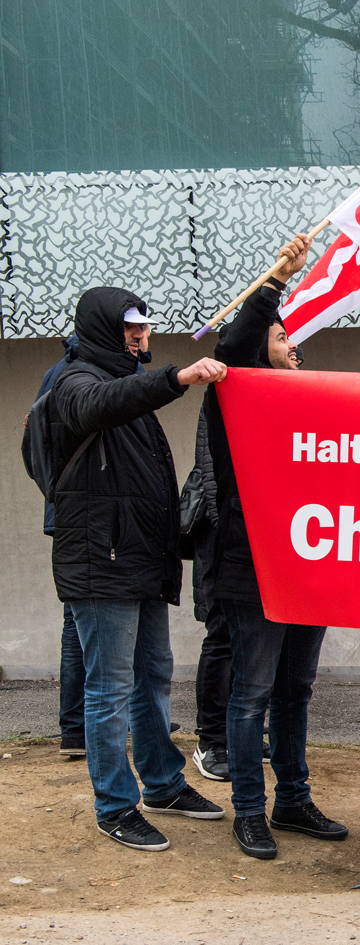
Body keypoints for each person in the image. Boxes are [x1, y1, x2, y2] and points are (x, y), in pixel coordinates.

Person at [48, 287, 227, 850]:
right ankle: (114, 806)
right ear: (102, 329)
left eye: (145, 326)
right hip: (100, 562)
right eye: (129, 328)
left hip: (140, 559)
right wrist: (176, 378)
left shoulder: (127, 381)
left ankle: (163, 785)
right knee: (108, 688)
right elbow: (99, 405)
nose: (140, 336)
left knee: (152, 674)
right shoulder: (75, 381)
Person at [203, 233, 348, 859]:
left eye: (292, 339)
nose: (292, 346)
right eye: (281, 336)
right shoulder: (237, 395)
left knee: (295, 691)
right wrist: (276, 281)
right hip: (251, 569)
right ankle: (248, 810)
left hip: (307, 569)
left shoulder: (310, 407)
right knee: (253, 693)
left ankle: (292, 798)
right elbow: (233, 348)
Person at [33, 334, 87, 758]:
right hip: (80, 518)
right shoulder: (77, 376)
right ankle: (76, 726)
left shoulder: (57, 373)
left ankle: (76, 726)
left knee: (77, 624)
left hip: (67, 514)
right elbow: (39, 446)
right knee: (78, 626)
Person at [187, 408, 231, 781]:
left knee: (252, 642)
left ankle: (238, 733)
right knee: (223, 637)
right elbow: (210, 465)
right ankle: (211, 740)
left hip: (252, 534)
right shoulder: (226, 389)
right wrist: (226, 530)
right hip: (226, 536)